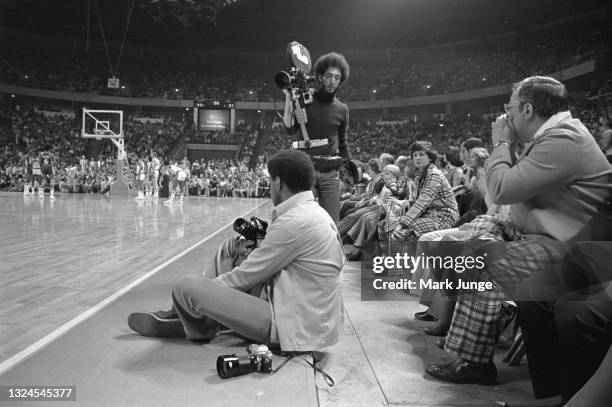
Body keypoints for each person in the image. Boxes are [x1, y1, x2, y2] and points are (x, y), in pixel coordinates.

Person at [425, 76, 612, 385]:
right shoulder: (552, 136)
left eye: (508, 108)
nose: (505, 116)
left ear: (527, 109)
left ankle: (474, 361)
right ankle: (464, 337)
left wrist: (500, 143)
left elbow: (501, 189)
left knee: (481, 261)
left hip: (569, 247)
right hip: (536, 233)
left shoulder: (564, 139)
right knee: (475, 235)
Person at [128, 150, 345, 351]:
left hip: (292, 324)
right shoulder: (312, 213)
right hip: (306, 311)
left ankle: (198, 322)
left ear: (278, 182)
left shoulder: (295, 221)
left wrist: (202, 294)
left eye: (270, 180)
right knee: (234, 246)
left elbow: (244, 277)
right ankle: (197, 316)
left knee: (186, 287)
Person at [282, 52, 351, 224]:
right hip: (305, 173)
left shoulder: (342, 109)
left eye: (337, 77)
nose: (332, 81)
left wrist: (349, 167)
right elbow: (289, 128)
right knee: (303, 223)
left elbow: (342, 142)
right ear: (319, 76)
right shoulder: (305, 100)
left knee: (331, 224)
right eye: (328, 76)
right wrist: (289, 98)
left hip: (331, 175)